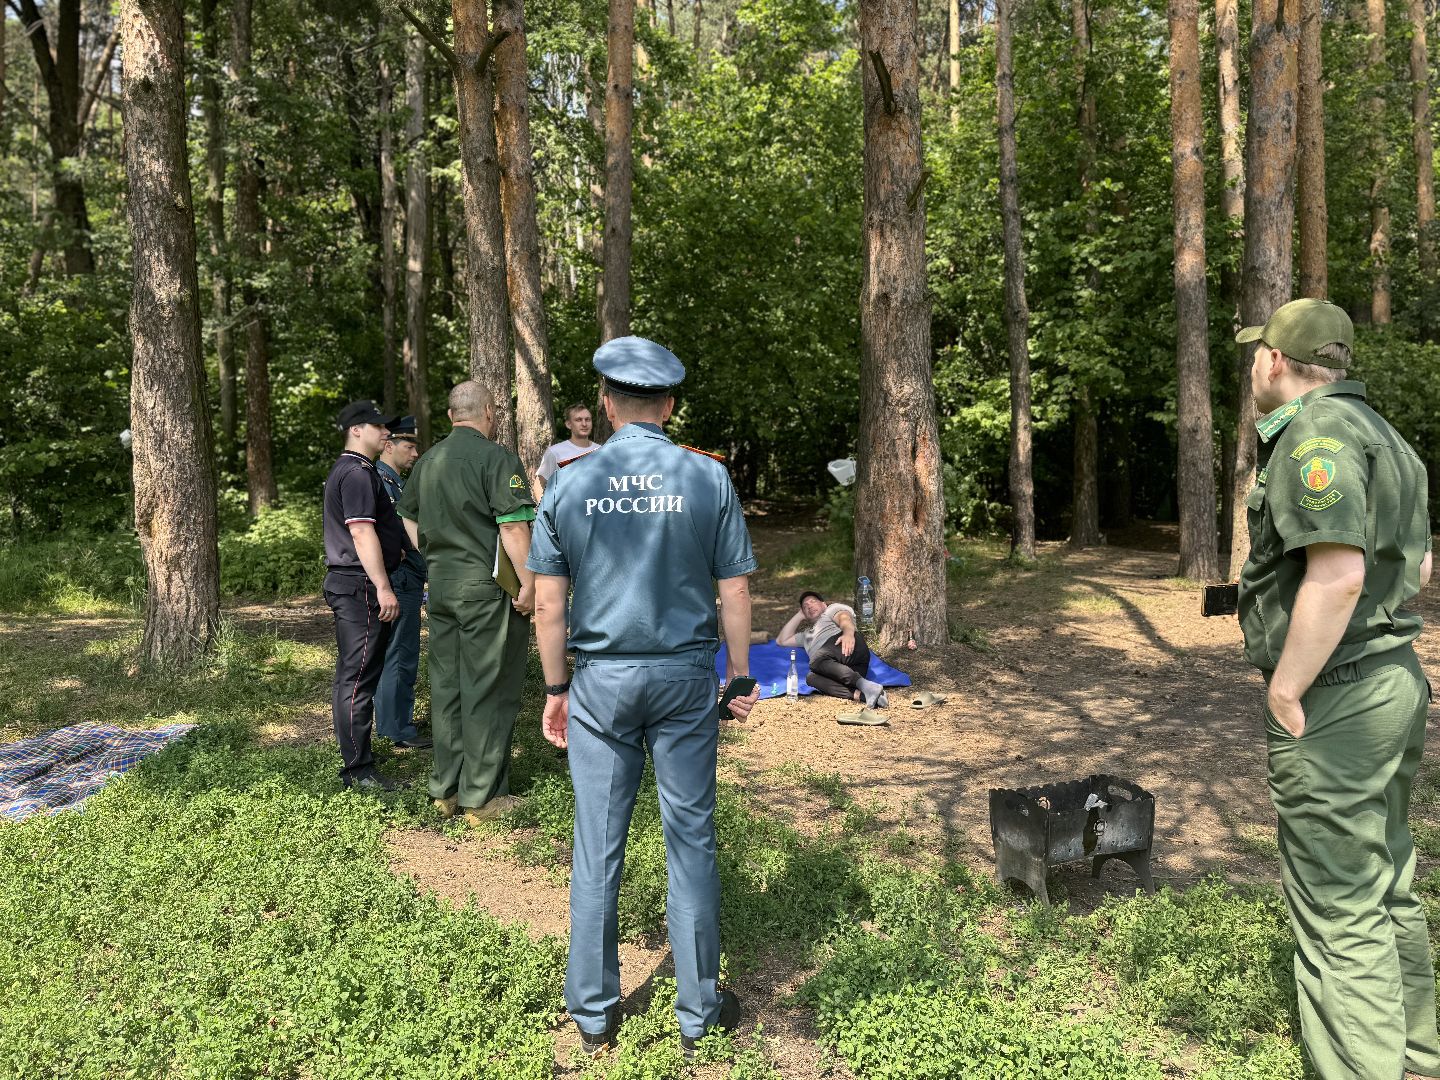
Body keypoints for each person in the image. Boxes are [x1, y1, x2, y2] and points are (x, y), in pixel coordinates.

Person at [527, 335, 760, 1059]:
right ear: (669, 404)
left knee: (597, 845)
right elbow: (737, 588)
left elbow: (546, 605)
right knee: (690, 841)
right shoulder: (707, 478)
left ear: (604, 404)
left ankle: (595, 1015)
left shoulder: (568, 479)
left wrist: (556, 686)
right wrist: (741, 675)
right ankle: (697, 1015)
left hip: (601, 681)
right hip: (686, 679)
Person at [1236, 298, 1438, 1080]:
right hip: (1393, 681)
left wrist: (1288, 690)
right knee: (1386, 882)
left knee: (1339, 906)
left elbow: (1341, 572)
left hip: (1341, 694)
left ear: (1278, 362)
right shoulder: (1388, 437)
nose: (1255, 364)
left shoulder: (1313, 439)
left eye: (1259, 353)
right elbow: (1415, 567)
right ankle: (1415, 1055)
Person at [396, 382, 536, 825]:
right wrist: (527, 586)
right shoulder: (496, 459)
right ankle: (483, 797)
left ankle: (447, 789)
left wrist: (432, 555)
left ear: (452, 413)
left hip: (442, 586)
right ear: (489, 412)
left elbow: (407, 515)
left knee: (447, 686)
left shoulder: (428, 460)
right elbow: (513, 529)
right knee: (489, 686)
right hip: (487, 588)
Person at [322, 400, 410, 791]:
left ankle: (359, 756)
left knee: (361, 674)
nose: (386, 432)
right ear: (356, 430)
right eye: (379, 426)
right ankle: (358, 771)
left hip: (359, 583)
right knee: (357, 678)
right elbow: (361, 532)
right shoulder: (356, 473)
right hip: (360, 586)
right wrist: (383, 586)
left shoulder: (360, 470)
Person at [373, 416, 432, 751]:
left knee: (399, 650)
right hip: (400, 575)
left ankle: (394, 719)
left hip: (407, 574)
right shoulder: (381, 480)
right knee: (400, 651)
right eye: (409, 446)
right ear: (389, 445)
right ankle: (396, 730)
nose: (414, 453)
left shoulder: (396, 481)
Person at [776, 591, 887, 707]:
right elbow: (781, 640)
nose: (809, 606)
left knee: (816, 661)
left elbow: (844, 618)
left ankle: (865, 685)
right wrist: (799, 615)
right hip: (841, 671)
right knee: (811, 678)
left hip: (848, 646)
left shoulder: (831, 610)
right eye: (805, 606)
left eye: (813, 601)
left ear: (824, 604)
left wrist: (848, 634)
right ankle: (864, 694)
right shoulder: (805, 635)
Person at [535, 403, 599, 493]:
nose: (584, 424)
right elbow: (539, 483)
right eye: (578, 420)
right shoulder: (555, 452)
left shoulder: (602, 451)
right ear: (569, 424)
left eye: (587, 420)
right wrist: (545, 507)